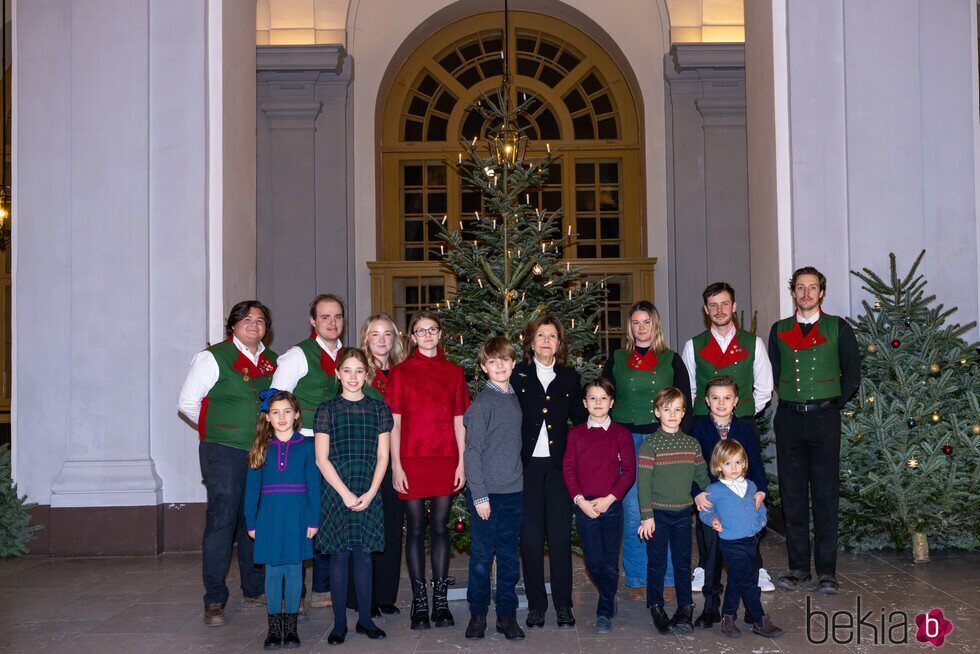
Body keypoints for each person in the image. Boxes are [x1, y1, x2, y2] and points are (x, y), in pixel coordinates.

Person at [178, 300, 278, 626]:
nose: (254, 325)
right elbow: (188, 403)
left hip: (262, 450)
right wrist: (220, 429)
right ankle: (215, 599)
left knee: (255, 518)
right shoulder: (212, 357)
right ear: (233, 325)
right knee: (222, 519)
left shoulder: (273, 362)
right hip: (224, 451)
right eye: (247, 319)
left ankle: (254, 587)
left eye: (260, 320)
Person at [768, 267, 860, 594]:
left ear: (822, 292)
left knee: (824, 496)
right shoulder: (779, 330)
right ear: (793, 292)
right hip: (790, 419)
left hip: (824, 420)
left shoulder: (838, 328)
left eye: (813, 287)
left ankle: (827, 571)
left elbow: (851, 374)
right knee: (792, 497)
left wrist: (832, 405)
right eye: (800, 287)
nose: (806, 293)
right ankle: (797, 569)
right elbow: (777, 372)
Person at [680, 282, 775, 593]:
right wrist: (704, 418)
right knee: (708, 496)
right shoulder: (694, 346)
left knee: (744, 498)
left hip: (740, 424)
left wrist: (742, 411)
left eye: (724, 304)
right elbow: (689, 389)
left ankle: (755, 566)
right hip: (706, 428)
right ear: (706, 311)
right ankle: (705, 567)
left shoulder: (753, 343)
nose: (719, 310)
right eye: (713, 305)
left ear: (733, 306)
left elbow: (764, 388)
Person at [601, 301, 691, 601]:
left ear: (656, 325)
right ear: (630, 327)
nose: (641, 328)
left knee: (664, 507)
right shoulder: (617, 359)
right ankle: (638, 578)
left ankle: (665, 577)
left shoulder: (671, 360)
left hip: (661, 438)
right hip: (626, 440)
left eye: (646, 322)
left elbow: (685, 402)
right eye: (636, 322)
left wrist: (681, 440)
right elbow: (603, 397)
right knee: (632, 509)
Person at [385, 311, 469, 630]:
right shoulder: (401, 373)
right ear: (412, 337)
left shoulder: (453, 372)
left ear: (440, 333)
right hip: (411, 459)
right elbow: (394, 422)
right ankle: (420, 603)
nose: (428, 335)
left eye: (433, 329)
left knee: (441, 528)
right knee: (416, 528)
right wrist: (396, 464)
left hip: (445, 457)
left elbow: (460, 419)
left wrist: (462, 461)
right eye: (421, 331)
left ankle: (441, 601)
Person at [511, 315, 588, 628]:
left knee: (558, 538)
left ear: (560, 343)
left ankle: (563, 604)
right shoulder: (517, 375)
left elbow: (582, 420)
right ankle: (536, 605)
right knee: (530, 539)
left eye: (552, 336)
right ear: (531, 341)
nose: (546, 341)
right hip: (526, 467)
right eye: (540, 335)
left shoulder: (569, 377)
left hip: (557, 468)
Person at [271, 294, 346, 611]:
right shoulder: (298, 356)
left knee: (327, 514)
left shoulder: (346, 355)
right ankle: (295, 594)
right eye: (326, 317)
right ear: (313, 320)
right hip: (303, 443)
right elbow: (275, 400)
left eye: (338, 317)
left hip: (336, 444)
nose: (333, 323)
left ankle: (321, 588)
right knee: (301, 516)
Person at [314, 348, 392, 644]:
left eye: (359, 371)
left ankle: (366, 619)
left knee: (364, 556)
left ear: (367, 374)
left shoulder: (378, 408)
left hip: (368, 489)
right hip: (337, 491)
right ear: (337, 374)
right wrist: (345, 493)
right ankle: (338, 624)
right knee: (339, 557)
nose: (353, 377)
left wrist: (371, 492)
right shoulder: (327, 410)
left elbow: (383, 455)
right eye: (347, 370)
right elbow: (322, 459)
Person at [689, 375, 769, 628]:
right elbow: (691, 465)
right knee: (711, 555)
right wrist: (696, 492)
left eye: (726, 398)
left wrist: (761, 491)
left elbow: (755, 462)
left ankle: (751, 608)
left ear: (735, 401)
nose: (720, 403)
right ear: (706, 400)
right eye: (715, 398)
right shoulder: (698, 428)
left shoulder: (745, 429)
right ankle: (711, 607)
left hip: (743, 502)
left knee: (750, 556)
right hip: (711, 501)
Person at [244, 390, 319, 649]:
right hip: (269, 517)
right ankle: (274, 628)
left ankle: (291, 626)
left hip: (298, 515)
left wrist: (313, 520)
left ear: (297, 414)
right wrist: (251, 522)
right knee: (273, 571)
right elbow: (252, 490)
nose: (282, 417)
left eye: (287, 411)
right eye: (275, 412)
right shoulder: (261, 448)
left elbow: (314, 486)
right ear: (267, 418)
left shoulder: (308, 446)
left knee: (294, 569)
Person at [462, 337, 525, 641]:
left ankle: (506, 615)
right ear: (484, 366)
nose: (500, 366)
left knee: (510, 558)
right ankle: (477, 614)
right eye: (493, 361)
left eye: (505, 360)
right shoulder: (481, 405)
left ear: (514, 362)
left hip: (514, 492)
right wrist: (480, 495)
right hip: (488, 496)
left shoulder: (514, 398)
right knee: (482, 559)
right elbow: (472, 452)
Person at [562, 378, 635, 635]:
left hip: (611, 505)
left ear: (612, 403)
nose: (598, 403)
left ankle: (604, 608)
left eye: (603, 398)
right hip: (585, 506)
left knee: (610, 560)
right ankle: (609, 591)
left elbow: (628, 472)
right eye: (592, 398)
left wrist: (609, 499)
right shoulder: (575, 434)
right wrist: (580, 501)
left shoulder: (621, 434)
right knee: (593, 560)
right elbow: (569, 469)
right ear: (584, 403)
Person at [637, 387, 709, 636]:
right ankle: (656, 605)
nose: (672, 414)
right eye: (666, 409)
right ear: (657, 412)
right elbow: (643, 483)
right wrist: (646, 516)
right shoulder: (650, 445)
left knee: (682, 562)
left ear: (683, 412)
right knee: (656, 563)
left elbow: (701, 477)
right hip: (657, 515)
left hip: (682, 514)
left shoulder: (691, 444)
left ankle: (685, 607)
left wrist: (709, 500)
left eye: (677, 409)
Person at [348, 314, 406, 617]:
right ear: (365, 338)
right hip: (364, 458)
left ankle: (385, 595)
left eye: (387, 334)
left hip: (395, 458)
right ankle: (361, 597)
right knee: (364, 527)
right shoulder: (357, 370)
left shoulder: (402, 371)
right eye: (375, 334)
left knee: (392, 527)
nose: (382, 339)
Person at [699, 439, 783, 639]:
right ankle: (760, 620)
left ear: (745, 463)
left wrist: (762, 521)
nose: (734, 467)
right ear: (719, 466)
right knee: (747, 582)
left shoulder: (752, 485)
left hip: (752, 541)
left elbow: (760, 506)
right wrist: (713, 521)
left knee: (738, 580)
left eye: (738, 462)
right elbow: (703, 512)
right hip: (731, 543)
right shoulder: (715, 490)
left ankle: (727, 618)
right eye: (728, 463)